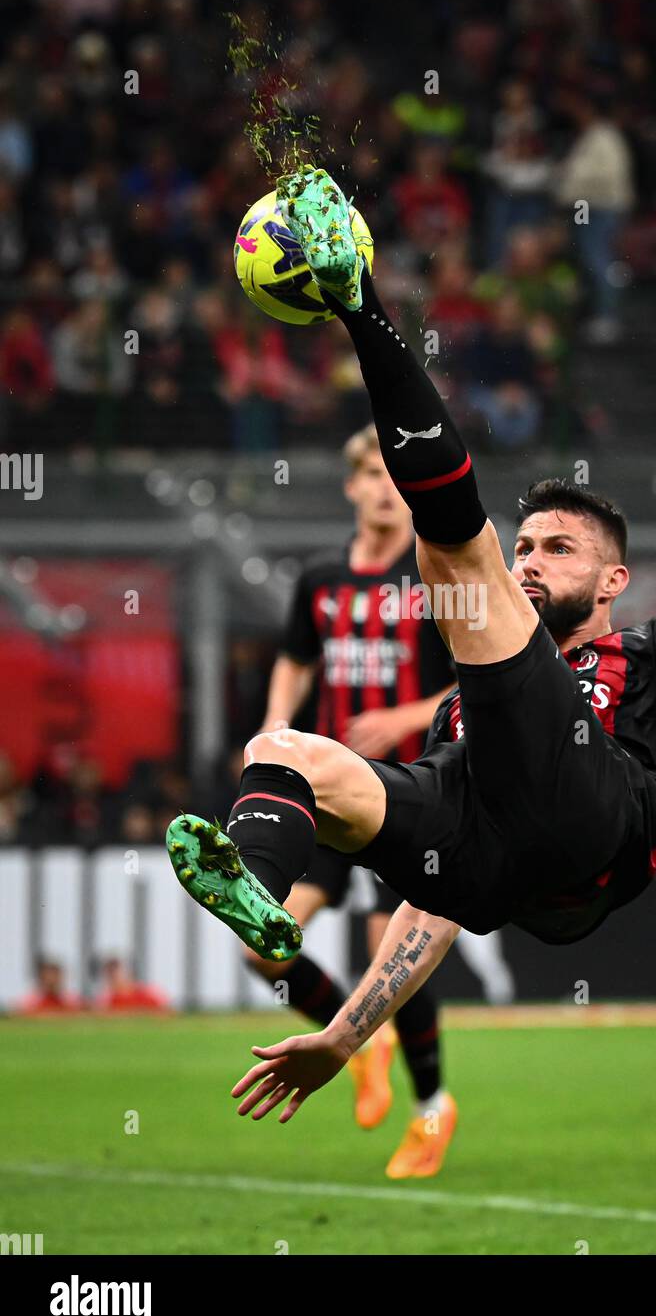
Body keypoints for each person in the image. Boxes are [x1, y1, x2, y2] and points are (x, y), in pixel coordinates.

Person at [165, 166, 656, 1127]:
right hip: (498, 853)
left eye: (558, 549)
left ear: (613, 582)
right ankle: (257, 886)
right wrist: (342, 1035)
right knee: (280, 754)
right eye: (526, 545)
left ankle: (358, 308)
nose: (532, 561)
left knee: (448, 541)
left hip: (595, 819)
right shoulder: (465, 707)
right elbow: (434, 905)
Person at [248, 423, 466, 1177]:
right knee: (260, 946)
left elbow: (480, 675)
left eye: (392, 473)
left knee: (393, 957)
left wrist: (406, 719)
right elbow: (294, 660)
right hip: (332, 793)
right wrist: (277, 727)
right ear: (351, 485)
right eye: (370, 473)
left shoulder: (435, 573)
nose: (382, 485)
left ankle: (432, 1108)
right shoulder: (319, 579)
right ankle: (357, 1038)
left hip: (413, 795)